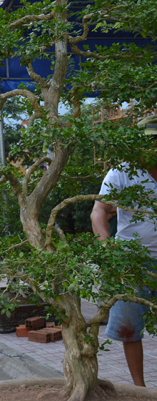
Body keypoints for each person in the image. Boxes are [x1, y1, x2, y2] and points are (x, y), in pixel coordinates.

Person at [90, 115, 157, 387]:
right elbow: (98, 212)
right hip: (131, 261)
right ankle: (140, 389)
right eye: (146, 143)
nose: (150, 148)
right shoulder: (122, 171)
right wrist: (108, 251)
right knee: (129, 328)